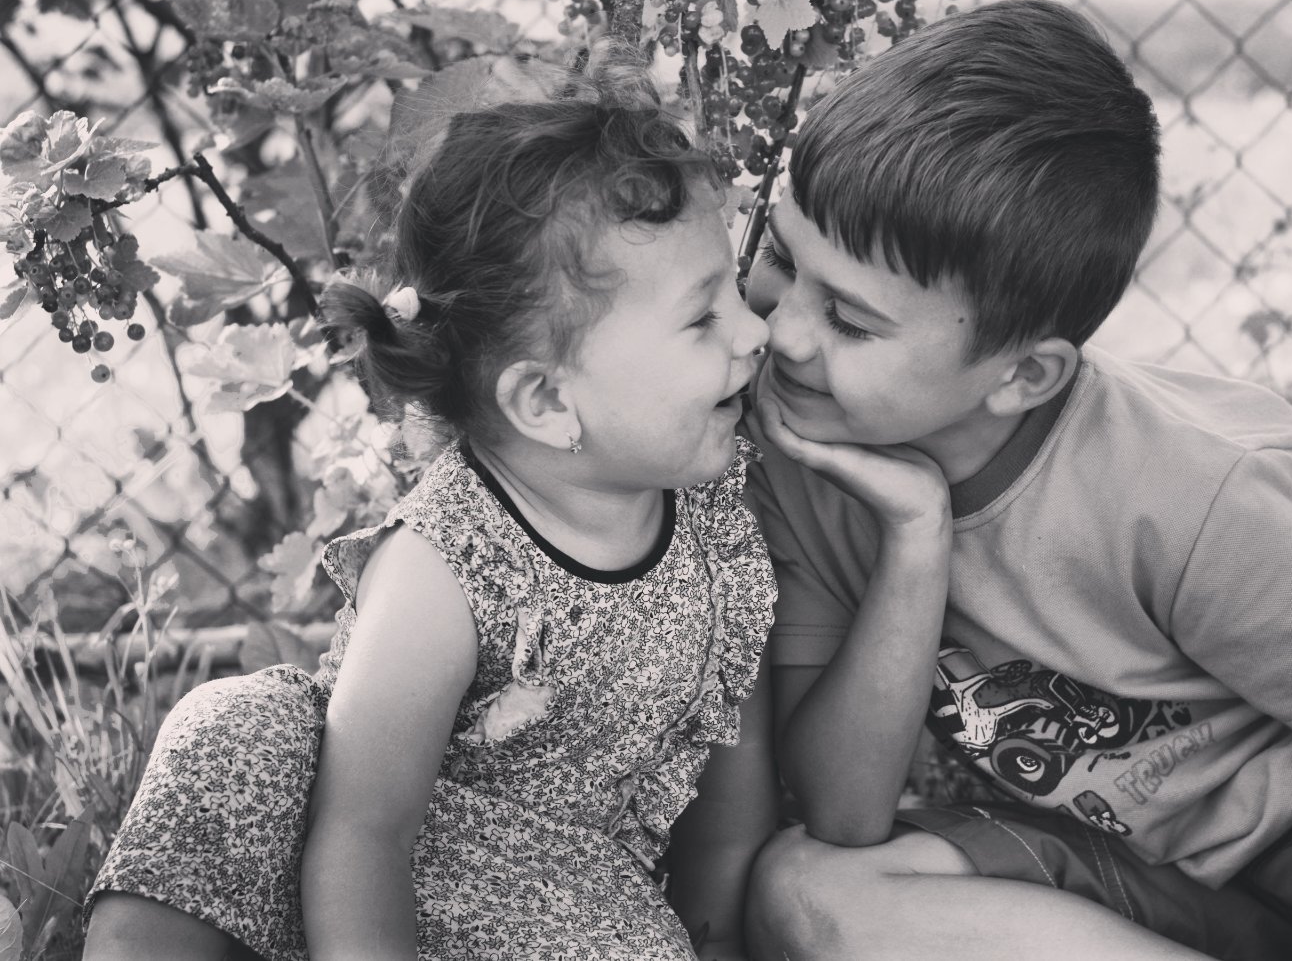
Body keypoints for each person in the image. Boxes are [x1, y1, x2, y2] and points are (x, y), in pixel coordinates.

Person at [738, 0, 1292, 961]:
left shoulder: (1191, 483)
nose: (784, 331)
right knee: (808, 892)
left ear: (1024, 376)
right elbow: (844, 812)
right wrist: (914, 542)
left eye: (850, 321)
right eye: (779, 256)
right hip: (1147, 875)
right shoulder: (806, 459)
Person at [82, 51, 776, 961]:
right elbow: (361, 832)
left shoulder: (718, 527)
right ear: (546, 401)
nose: (755, 330)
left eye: (735, 292)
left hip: (561, 907)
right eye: (704, 317)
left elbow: (731, 808)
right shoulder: (446, 564)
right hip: (354, 873)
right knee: (233, 728)